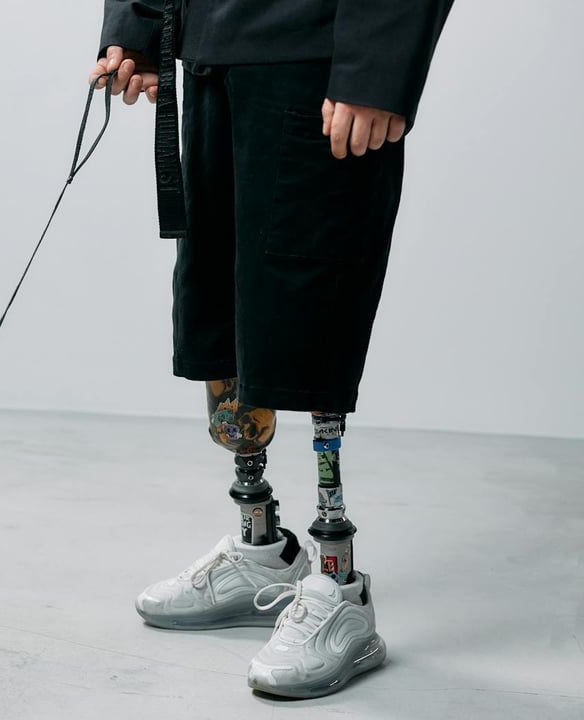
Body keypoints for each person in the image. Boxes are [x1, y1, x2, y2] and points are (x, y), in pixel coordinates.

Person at [90, 0, 453, 698]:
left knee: (309, 304)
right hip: (212, 48)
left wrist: (376, 68)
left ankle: (340, 586)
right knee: (222, 303)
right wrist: (139, 24)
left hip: (319, 56)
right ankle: (262, 548)